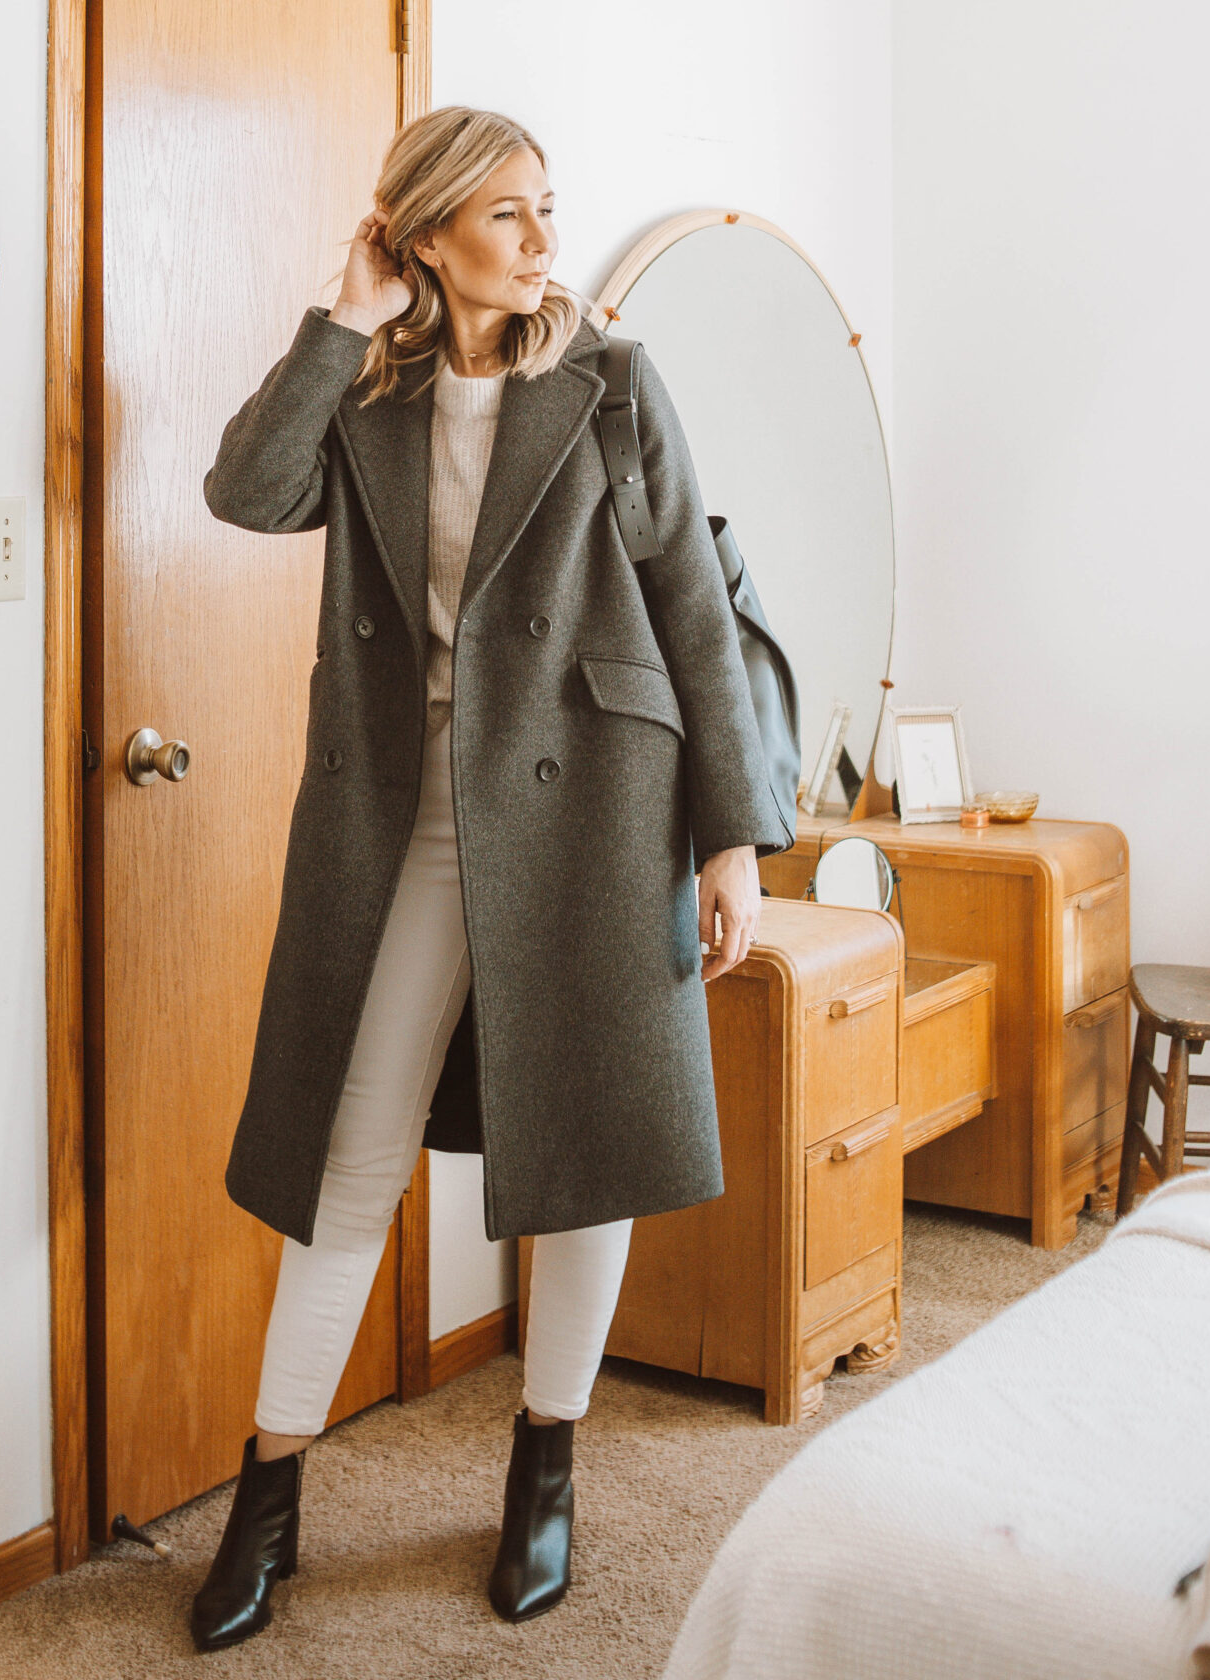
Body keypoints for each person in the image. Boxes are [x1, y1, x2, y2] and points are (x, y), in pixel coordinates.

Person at [191, 105, 792, 1652]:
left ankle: (546, 1464)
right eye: (511, 216)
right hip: (402, 822)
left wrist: (731, 834)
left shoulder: (609, 382)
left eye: (546, 212)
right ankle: (269, 1492)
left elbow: (688, 606)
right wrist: (340, 317)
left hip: (595, 809)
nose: (541, 241)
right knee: (348, 1156)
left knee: (586, 1151)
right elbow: (244, 492)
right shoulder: (366, 388)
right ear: (432, 233)